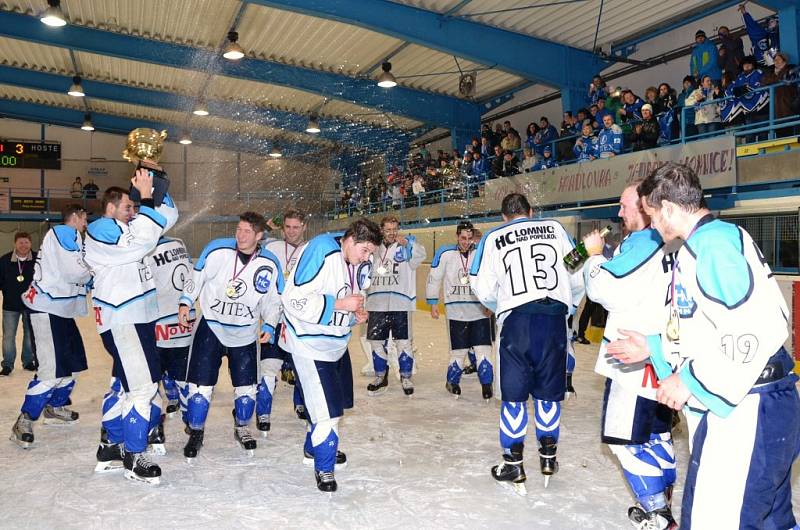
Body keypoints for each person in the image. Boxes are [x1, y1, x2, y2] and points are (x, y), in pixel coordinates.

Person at [607, 162, 800, 529]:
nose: (653, 225)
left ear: (668, 208)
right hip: (754, 406)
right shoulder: (711, 240)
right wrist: (654, 346)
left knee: (718, 520)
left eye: (652, 215)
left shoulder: (711, 245)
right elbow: (709, 327)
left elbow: (750, 330)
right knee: (770, 520)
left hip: (748, 410)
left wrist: (689, 382)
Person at [581, 184, 680, 528]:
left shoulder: (645, 241)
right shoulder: (672, 240)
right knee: (658, 434)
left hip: (633, 358)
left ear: (644, 207)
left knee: (624, 441)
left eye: (624, 207)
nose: (619, 214)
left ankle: (657, 512)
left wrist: (593, 256)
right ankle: (663, 497)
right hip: (663, 354)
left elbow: (605, 289)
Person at [470, 193, 576, 493]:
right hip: (554, 319)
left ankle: (513, 464)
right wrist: (569, 305)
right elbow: (573, 266)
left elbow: (481, 285)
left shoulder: (493, 237)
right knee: (548, 393)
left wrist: (501, 306)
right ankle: (548, 457)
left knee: (514, 397)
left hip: (517, 322)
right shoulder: (555, 228)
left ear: (504, 216)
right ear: (531, 212)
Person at [85, 170, 178, 485]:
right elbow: (141, 240)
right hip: (123, 321)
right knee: (143, 388)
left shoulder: (129, 226)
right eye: (129, 206)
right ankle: (135, 457)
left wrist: (155, 181)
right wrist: (147, 197)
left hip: (137, 320)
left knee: (127, 387)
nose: (133, 211)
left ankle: (110, 448)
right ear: (111, 207)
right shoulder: (100, 228)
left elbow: (164, 218)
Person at [281, 218, 380, 492]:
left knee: (333, 404)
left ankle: (313, 448)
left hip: (336, 344)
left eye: (371, 252)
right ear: (350, 240)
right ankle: (324, 469)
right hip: (309, 345)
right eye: (364, 251)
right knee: (328, 414)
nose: (367, 257)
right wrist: (339, 304)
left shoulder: (362, 261)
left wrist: (355, 313)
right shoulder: (320, 251)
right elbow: (292, 299)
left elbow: (355, 295)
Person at [178, 212, 283, 461]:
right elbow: (196, 277)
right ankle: (196, 431)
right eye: (239, 229)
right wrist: (185, 302)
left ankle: (242, 427)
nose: (240, 235)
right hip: (211, 328)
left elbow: (273, 300)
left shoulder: (269, 264)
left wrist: (269, 325)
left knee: (247, 394)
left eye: (247, 232)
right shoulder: (217, 250)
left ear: (259, 235)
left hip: (245, 333)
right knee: (199, 392)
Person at [10, 205, 91, 449]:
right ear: (75, 216)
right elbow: (75, 271)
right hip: (46, 310)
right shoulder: (66, 232)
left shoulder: (72, 237)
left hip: (62, 312)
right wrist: (98, 271)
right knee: (51, 370)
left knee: (74, 364)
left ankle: (55, 407)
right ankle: (24, 419)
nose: (86, 223)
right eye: (85, 217)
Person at [426, 221, 493, 399]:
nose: (466, 242)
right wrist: (433, 303)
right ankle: (452, 381)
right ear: (457, 236)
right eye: (463, 238)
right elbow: (434, 278)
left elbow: (489, 278)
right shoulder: (445, 253)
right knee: (459, 351)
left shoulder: (480, 252)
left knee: (483, 349)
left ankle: (487, 384)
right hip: (456, 311)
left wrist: (490, 303)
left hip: (479, 311)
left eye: (470, 238)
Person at [256, 209, 308, 435]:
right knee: (269, 367)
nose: (292, 232)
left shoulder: (311, 250)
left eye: (296, 227)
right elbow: (251, 245)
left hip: (301, 321)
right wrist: (267, 228)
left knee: (302, 368)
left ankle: (301, 404)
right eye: (287, 227)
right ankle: (263, 411)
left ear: (304, 227)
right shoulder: (272, 247)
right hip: (274, 318)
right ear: (282, 227)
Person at [145, 233, 194, 454]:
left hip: (158, 324)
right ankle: (192, 421)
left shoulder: (143, 249)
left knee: (152, 378)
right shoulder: (179, 242)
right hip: (183, 321)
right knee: (183, 376)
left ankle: (155, 426)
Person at [365, 216, 426, 395]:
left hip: (401, 302)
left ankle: (406, 377)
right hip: (376, 302)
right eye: (388, 229)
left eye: (394, 229)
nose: (392, 233)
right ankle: (380, 376)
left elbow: (421, 256)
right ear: (381, 230)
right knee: (376, 341)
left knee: (403, 341)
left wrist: (408, 244)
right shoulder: (373, 248)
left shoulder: (406, 246)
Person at [0, 232, 36, 375]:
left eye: (26, 242)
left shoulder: (38, 259)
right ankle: (7, 365)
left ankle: (28, 361)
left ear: (30, 243)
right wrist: (8, 290)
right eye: (21, 242)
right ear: (15, 243)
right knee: (8, 336)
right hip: (10, 306)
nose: (23, 245)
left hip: (31, 305)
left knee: (29, 335)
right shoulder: (4, 260)